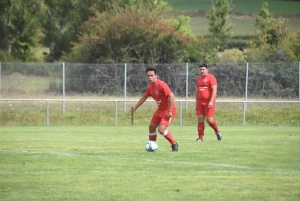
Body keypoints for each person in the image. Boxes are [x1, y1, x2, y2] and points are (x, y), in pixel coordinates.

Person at [133, 67, 178, 152]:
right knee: (152, 127)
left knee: (161, 129)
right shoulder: (150, 87)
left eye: (152, 75)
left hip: (168, 110)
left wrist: (169, 111)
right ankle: (152, 146)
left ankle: (174, 143)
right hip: (160, 110)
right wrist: (135, 108)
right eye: (148, 76)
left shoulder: (161, 85)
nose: (150, 77)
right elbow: (144, 98)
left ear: (156, 76)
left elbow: (171, 96)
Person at [195, 63, 222, 141]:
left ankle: (217, 131)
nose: (202, 71)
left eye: (203, 69)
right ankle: (201, 137)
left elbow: (214, 90)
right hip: (200, 102)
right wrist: (197, 103)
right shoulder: (199, 79)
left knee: (209, 120)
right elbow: (197, 91)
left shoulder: (211, 78)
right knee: (200, 118)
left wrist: (211, 101)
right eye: (200, 70)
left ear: (207, 70)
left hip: (208, 102)